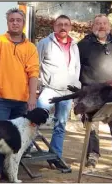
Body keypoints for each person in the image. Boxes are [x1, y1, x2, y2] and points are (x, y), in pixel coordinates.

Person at [0, 8, 39, 183]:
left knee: (19, 141)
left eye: (18, 20)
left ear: (23, 23)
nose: (15, 23)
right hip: (1, 99)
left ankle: (11, 171)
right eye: (12, 20)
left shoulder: (31, 47)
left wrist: (32, 96)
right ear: (7, 22)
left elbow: (33, 73)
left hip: (22, 101)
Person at [77, 14, 112, 168]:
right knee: (91, 125)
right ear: (92, 26)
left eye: (104, 23)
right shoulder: (83, 45)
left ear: (109, 26)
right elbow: (76, 67)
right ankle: (92, 156)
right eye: (98, 23)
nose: (101, 26)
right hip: (90, 93)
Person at [36, 15, 81, 165]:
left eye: (66, 25)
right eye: (59, 24)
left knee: (60, 125)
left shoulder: (75, 45)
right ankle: (26, 149)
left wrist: (75, 87)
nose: (63, 27)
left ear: (70, 27)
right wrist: (36, 87)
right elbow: (36, 65)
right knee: (34, 120)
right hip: (49, 89)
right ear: (54, 27)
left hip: (67, 92)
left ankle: (55, 157)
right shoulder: (44, 43)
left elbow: (77, 68)